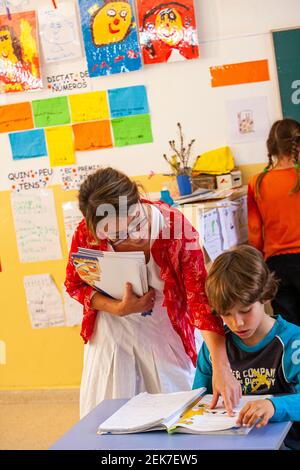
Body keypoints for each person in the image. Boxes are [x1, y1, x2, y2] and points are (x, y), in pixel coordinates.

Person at [65, 167, 241, 417]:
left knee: (179, 411)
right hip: (113, 334)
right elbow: (75, 283)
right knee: (111, 416)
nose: (135, 235)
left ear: (139, 199)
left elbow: (200, 302)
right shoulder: (87, 234)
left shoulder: (176, 229)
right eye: (118, 234)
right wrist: (118, 308)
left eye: (137, 220)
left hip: (165, 330)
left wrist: (220, 365)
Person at [193, 245, 300, 450]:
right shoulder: (214, 350)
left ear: (265, 296)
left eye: (245, 310)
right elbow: (198, 400)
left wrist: (273, 406)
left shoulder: (292, 342)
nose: (237, 323)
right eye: (227, 314)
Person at [247, 118, 300, 326]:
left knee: (289, 325)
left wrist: (258, 263)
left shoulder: (257, 182)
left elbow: (254, 231)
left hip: (276, 264)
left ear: (271, 146)